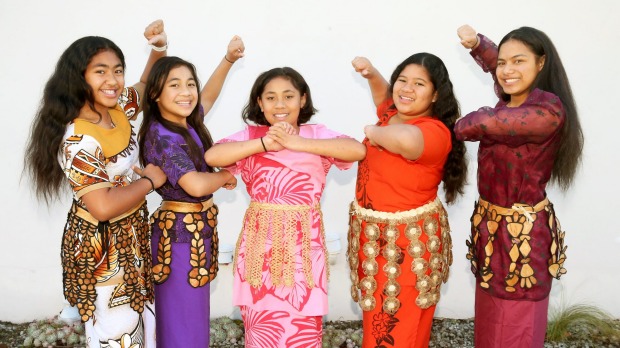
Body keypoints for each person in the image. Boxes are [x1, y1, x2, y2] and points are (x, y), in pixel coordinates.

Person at [24, 20, 169, 347]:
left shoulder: (117, 109)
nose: (113, 80)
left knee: (138, 326)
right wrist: (148, 181)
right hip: (102, 249)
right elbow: (102, 206)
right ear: (78, 78)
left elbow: (146, 84)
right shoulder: (78, 141)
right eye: (100, 72)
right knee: (116, 334)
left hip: (131, 238)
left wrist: (159, 47)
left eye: (117, 71)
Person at [204, 67, 366, 348]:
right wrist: (265, 143)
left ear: (303, 99)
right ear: (260, 103)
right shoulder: (252, 135)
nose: (280, 104)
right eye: (271, 97)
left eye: (288, 96)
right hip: (259, 250)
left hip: (303, 249)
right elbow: (212, 155)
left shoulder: (317, 134)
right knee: (261, 327)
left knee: (303, 325)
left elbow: (357, 150)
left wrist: (298, 142)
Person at [455, 25, 583, 347]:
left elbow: (480, 124)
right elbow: (500, 72)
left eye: (519, 61)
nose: (507, 70)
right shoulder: (512, 101)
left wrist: (448, 125)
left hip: (522, 239)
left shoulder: (546, 111)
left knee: (516, 324)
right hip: (490, 230)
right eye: (503, 62)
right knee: (489, 319)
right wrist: (478, 45)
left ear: (541, 63)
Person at [347, 53, 468, 348]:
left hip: (406, 250)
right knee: (378, 327)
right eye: (402, 80)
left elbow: (407, 142)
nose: (407, 89)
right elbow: (385, 98)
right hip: (374, 246)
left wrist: (373, 132)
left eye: (418, 84)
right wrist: (373, 74)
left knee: (401, 331)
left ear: (436, 94)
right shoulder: (393, 113)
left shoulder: (434, 131)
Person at [137, 36, 244, 348]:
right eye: (174, 85)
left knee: (192, 318)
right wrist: (224, 175)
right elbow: (195, 185)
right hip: (178, 240)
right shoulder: (163, 137)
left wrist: (228, 60)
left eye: (190, 84)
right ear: (155, 93)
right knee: (181, 322)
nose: (186, 92)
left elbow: (206, 97)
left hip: (194, 233)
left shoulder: (185, 122)